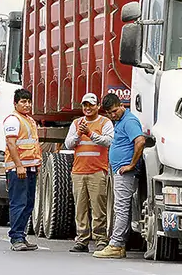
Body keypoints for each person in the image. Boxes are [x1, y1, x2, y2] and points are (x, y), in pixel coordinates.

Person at [94, 93, 146, 259]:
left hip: (125, 172)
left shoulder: (129, 121)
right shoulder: (120, 121)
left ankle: (116, 244)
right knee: (121, 207)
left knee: (121, 207)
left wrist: (131, 164)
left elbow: (140, 141)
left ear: (121, 105)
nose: (112, 115)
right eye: (109, 113)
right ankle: (120, 244)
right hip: (119, 169)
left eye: (114, 111)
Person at [63, 93, 114, 253]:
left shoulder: (105, 122)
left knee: (99, 207)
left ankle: (100, 239)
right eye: (85, 105)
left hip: (98, 171)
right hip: (78, 171)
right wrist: (79, 133)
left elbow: (109, 141)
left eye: (91, 105)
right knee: (80, 208)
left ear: (98, 106)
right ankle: (82, 240)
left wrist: (90, 134)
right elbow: (68, 144)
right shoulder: (76, 123)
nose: (88, 108)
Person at [3, 88, 41, 252]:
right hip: (18, 169)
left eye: (29, 102)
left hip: (30, 168)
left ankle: (21, 236)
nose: (27, 105)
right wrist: (19, 165)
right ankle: (16, 237)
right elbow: (11, 144)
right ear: (15, 103)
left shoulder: (30, 120)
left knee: (28, 203)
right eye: (23, 102)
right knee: (19, 202)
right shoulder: (13, 120)